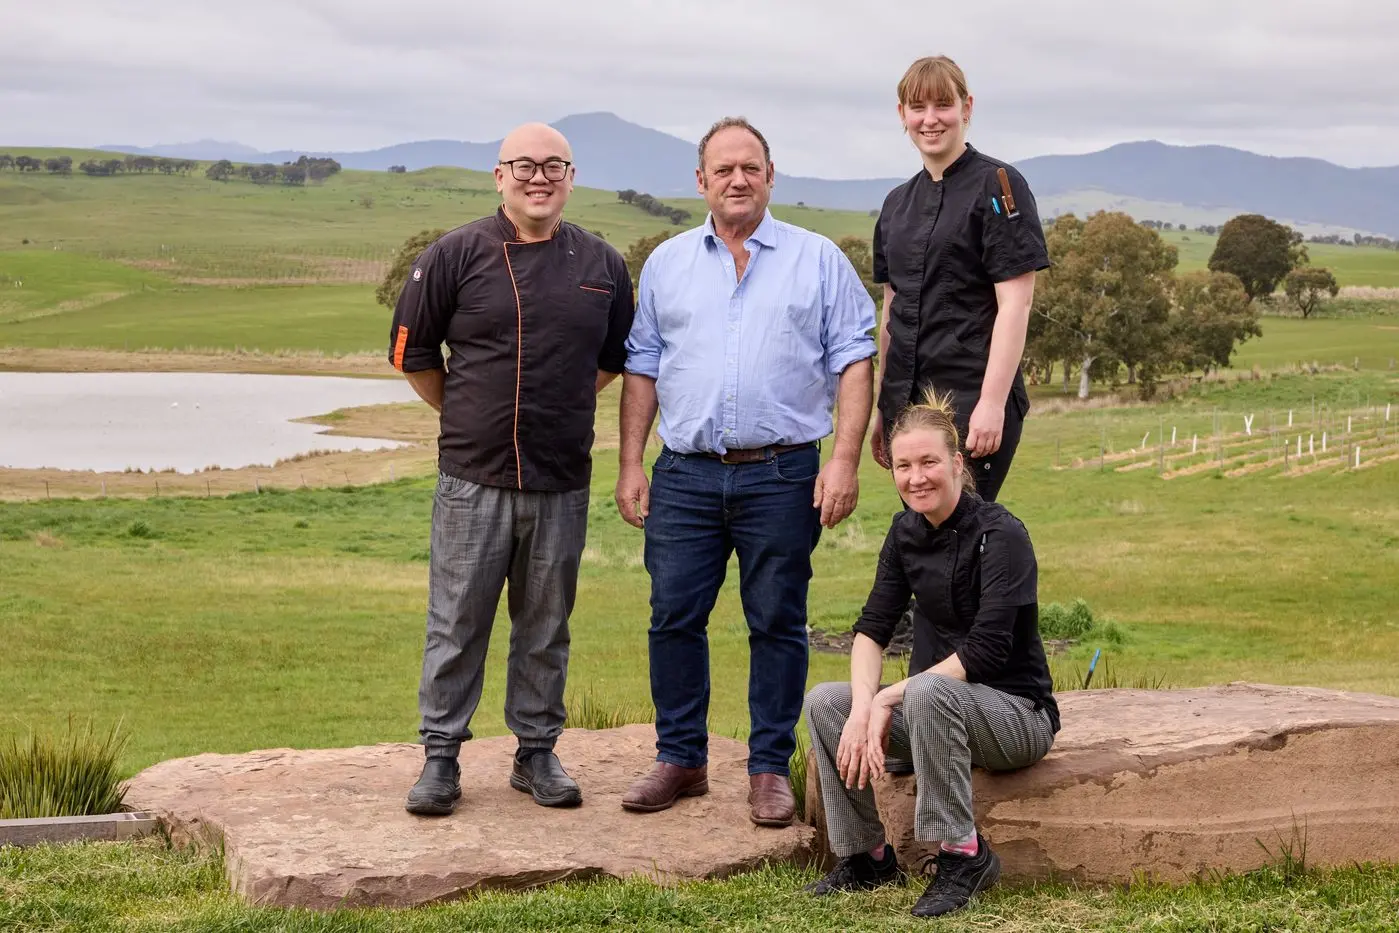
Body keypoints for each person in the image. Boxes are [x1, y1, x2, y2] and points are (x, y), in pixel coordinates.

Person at [614, 117, 877, 828]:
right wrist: (630, 463)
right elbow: (641, 368)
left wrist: (845, 460)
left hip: (782, 473)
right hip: (686, 474)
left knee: (777, 621)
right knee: (672, 616)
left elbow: (856, 358)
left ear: (769, 176)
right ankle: (680, 758)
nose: (737, 179)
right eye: (723, 169)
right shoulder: (667, 262)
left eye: (750, 168)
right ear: (700, 181)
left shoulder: (817, 259)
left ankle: (767, 769)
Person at [388, 122, 635, 815]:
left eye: (553, 166)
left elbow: (615, 357)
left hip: (561, 478)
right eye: (523, 165)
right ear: (498, 176)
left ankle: (535, 752)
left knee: (546, 622)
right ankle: (440, 757)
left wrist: (555, 404)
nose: (539, 177)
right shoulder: (453, 254)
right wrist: (468, 410)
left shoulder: (602, 264)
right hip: (473, 477)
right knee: (457, 620)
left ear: (571, 177)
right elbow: (411, 354)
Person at [802, 389, 1059, 919]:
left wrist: (885, 700)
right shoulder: (904, 532)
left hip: (1015, 717)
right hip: (930, 713)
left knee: (925, 689)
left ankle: (963, 854)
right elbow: (872, 629)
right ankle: (868, 857)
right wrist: (861, 706)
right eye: (903, 465)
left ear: (957, 464)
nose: (916, 477)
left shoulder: (1002, 534)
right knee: (826, 701)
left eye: (928, 462)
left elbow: (987, 650)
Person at [870, 55, 1050, 502]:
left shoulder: (999, 186)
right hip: (905, 411)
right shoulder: (895, 204)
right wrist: (883, 408)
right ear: (902, 116)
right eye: (917, 108)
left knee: (964, 537)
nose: (930, 120)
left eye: (942, 105)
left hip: (972, 404)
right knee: (924, 541)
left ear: (966, 107)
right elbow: (892, 311)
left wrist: (992, 404)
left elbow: (1015, 305)